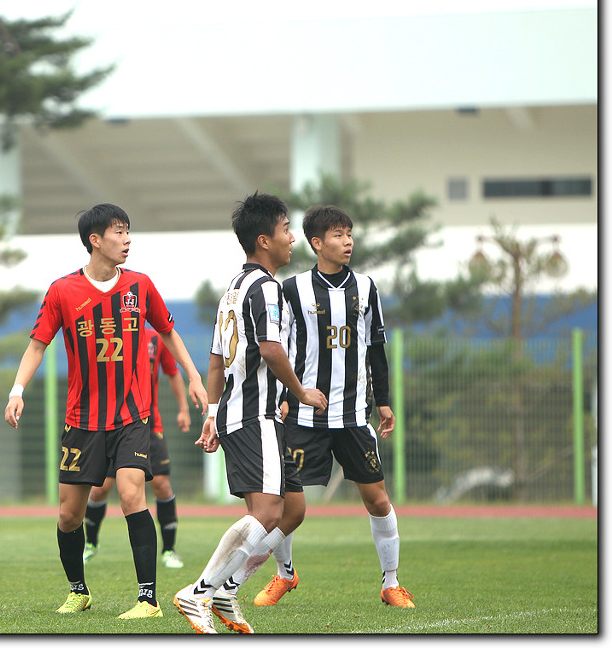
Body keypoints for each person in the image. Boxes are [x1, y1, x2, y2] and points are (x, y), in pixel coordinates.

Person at [4, 203, 207, 620]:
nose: (127, 239)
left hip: (133, 416)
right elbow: (37, 345)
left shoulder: (140, 286)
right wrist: (17, 390)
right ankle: (78, 591)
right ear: (95, 240)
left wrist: (193, 376)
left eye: (128, 231)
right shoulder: (62, 291)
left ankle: (148, 600)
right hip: (82, 420)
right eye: (118, 232)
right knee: (69, 514)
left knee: (132, 495)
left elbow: (169, 332)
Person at [173, 192, 327, 634]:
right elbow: (271, 349)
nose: (292, 239)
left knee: (291, 508)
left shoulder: (233, 290)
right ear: (264, 240)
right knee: (266, 513)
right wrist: (301, 391)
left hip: (244, 414)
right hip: (255, 415)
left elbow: (216, 360)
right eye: (286, 230)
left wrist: (212, 414)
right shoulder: (266, 288)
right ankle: (199, 592)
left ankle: (227, 590)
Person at [252, 205, 414, 609]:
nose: (348, 242)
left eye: (350, 234)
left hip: (354, 415)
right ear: (317, 243)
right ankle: (284, 574)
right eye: (338, 235)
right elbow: (280, 351)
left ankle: (391, 583)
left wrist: (384, 402)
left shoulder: (367, 288)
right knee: (286, 503)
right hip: (303, 415)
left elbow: (376, 348)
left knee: (377, 499)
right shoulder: (292, 290)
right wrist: (284, 398)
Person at [83, 324, 191, 569]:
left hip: (149, 424)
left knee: (161, 484)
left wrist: (183, 409)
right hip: (111, 424)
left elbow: (173, 372)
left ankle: (169, 550)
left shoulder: (156, 339)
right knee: (100, 488)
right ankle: (90, 544)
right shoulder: (108, 334)